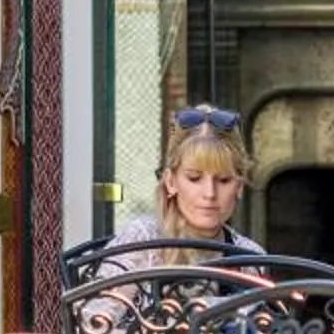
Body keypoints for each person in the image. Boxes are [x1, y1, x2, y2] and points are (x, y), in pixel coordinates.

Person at [103, 105, 260, 269]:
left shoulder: (249, 256)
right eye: (194, 178)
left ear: (240, 186)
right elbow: (103, 295)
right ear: (170, 182)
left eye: (223, 180)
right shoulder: (142, 241)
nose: (210, 193)